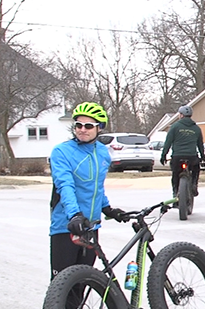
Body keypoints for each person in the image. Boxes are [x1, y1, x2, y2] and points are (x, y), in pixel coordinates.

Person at [49, 102, 126, 306]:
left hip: (91, 227)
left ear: (99, 128)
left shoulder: (102, 153)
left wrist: (107, 208)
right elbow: (65, 186)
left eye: (88, 126)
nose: (82, 129)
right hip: (66, 227)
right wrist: (74, 215)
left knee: (80, 287)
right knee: (60, 288)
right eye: (78, 125)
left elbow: (95, 188)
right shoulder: (61, 152)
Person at [161, 105, 205, 198]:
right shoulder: (196, 128)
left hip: (177, 156)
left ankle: (175, 192)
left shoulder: (175, 127)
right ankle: (194, 184)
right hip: (192, 156)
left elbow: (168, 142)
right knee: (195, 169)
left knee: (175, 174)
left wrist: (163, 155)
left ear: (181, 115)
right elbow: (200, 145)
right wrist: (203, 156)